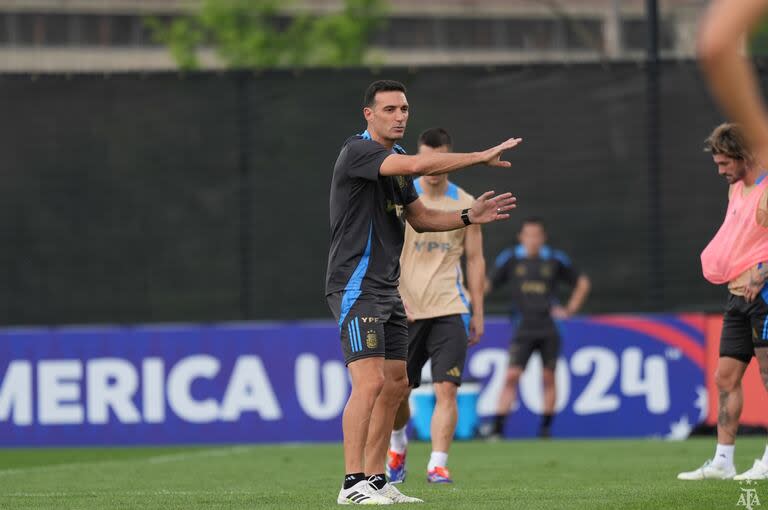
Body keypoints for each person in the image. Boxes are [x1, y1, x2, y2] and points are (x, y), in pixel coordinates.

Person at [325, 79, 522, 504]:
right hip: (356, 285)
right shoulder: (359, 152)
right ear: (369, 115)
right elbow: (417, 167)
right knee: (370, 382)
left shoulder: (395, 160)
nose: (399, 117)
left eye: (405, 110)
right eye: (391, 109)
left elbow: (423, 218)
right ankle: (351, 483)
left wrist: (469, 214)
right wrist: (478, 156)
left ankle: (376, 480)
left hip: (386, 287)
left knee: (396, 384)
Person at [385, 128, 485, 486]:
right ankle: (398, 447)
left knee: (447, 388)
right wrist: (395, 296)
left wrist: (478, 311)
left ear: (448, 158)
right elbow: (386, 251)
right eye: (427, 161)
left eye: (440, 161)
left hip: (450, 306)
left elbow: (474, 260)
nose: (433, 169)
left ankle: (438, 464)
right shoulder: (402, 199)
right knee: (397, 392)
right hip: (407, 309)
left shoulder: (467, 202)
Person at [677, 123, 768, 481]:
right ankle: (723, 461)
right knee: (725, 377)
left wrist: (764, 272)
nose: (721, 170)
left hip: (763, 295)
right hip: (736, 295)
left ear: (744, 156)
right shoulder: (736, 190)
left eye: (725, 163)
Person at [486, 218, 590, 439]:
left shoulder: (554, 259)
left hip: (549, 328)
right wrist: (469, 295)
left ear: (542, 238)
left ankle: (545, 429)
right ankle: (497, 429)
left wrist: (570, 309)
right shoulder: (511, 259)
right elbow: (488, 284)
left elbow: (582, 282)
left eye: (536, 235)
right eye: (528, 235)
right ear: (521, 237)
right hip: (523, 327)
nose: (532, 240)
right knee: (512, 375)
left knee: (548, 377)